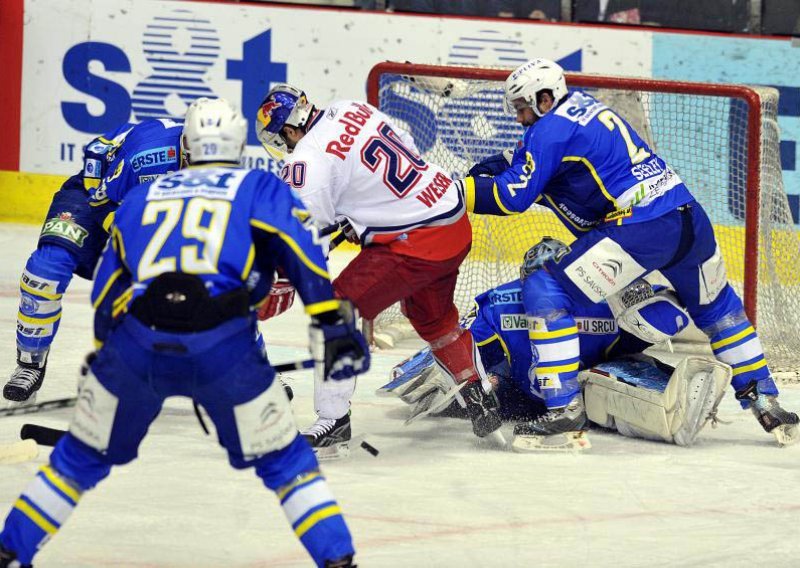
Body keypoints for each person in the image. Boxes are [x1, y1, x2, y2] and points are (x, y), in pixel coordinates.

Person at [0, 98, 369, 568]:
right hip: (224, 356)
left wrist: (104, 356)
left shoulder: (138, 198)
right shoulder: (257, 186)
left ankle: (10, 552)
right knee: (287, 465)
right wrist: (332, 327)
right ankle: (338, 561)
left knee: (75, 463)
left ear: (187, 146)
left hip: (135, 350)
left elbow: (110, 290)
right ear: (238, 147)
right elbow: (306, 259)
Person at [460, 59, 798, 446]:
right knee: (720, 309)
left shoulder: (549, 128)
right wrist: (508, 163)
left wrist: (458, 191)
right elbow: (567, 177)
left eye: (523, 108)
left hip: (643, 229)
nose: (521, 119)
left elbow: (512, 196)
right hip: (690, 218)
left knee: (545, 287)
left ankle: (564, 411)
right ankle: (767, 401)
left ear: (544, 97)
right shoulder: (586, 106)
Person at [255, 83, 500, 456]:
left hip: (418, 241)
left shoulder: (307, 158)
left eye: (281, 138)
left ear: (289, 129)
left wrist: (285, 283)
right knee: (431, 318)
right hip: (452, 218)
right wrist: (373, 210)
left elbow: (304, 237)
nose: (284, 146)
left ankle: (333, 421)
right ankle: (477, 393)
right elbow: (406, 149)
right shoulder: (351, 108)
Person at [385, 238, 733, 449]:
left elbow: (464, 347)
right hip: (556, 392)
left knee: (598, 385)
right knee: (601, 390)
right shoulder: (603, 294)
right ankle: (661, 399)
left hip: (542, 394)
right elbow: (671, 318)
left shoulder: (500, 301)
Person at [6, 119, 183, 403]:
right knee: (45, 270)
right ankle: (30, 363)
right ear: (186, 146)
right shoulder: (148, 154)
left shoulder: (225, 174)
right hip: (96, 198)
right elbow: (102, 199)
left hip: (152, 218)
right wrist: (131, 241)